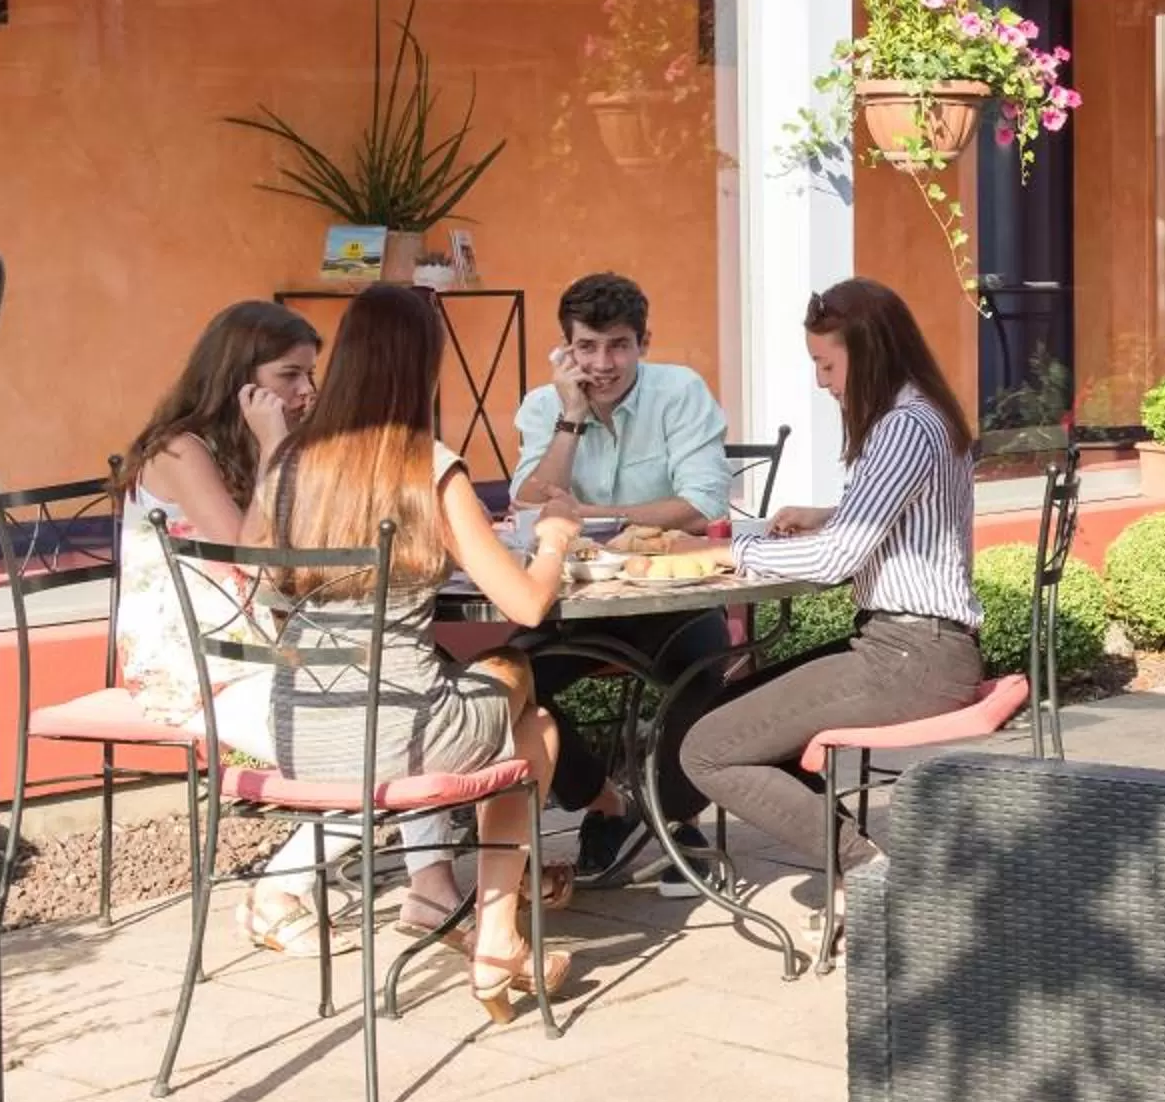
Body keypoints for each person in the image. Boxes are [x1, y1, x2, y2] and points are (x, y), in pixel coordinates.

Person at [254, 282, 581, 1020]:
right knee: (518, 668)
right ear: (422, 368)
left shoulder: (289, 465)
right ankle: (497, 935)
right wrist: (556, 541)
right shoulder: (427, 465)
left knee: (540, 731)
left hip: (301, 735)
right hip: (401, 732)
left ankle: (501, 938)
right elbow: (526, 603)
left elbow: (269, 579)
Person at [112, 301, 456, 951]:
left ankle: (431, 886)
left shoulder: (250, 449)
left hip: (266, 650)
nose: (306, 392)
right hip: (196, 669)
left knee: (407, 706)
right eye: (289, 376)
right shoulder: (180, 449)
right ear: (240, 379)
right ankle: (282, 887)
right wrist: (276, 445)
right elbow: (250, 554)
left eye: (309, 376)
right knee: (380, 733)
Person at [680, 278, 980, 893]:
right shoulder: (926, 413)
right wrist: (829, 515)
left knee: (705, 749)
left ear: (869, 353)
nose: (821, 380)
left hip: (910, 658)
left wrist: (723, 552)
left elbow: (838, 560)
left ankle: (872, 875)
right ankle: (862, 861)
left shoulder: (902, 426)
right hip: (917, 650)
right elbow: (893, 524)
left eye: (826, 363)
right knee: (729, 714)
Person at [508, 270, 733, 883]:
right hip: (575, 603)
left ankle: (675, 820)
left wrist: (587, 516)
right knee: (510, 679)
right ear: (566, 349)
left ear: (643, 342)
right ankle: (606, 804)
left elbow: (704, 502)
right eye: (587, 347)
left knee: (706, 669)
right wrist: (571, 418)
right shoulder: (543, 404)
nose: (603, 363)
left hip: (670, 597)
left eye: (618, 346)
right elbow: (529, 502)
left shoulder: (679, 391)